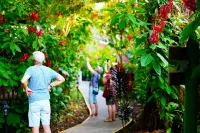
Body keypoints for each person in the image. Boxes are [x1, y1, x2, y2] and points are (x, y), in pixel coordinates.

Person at [21, 51, 65, 133]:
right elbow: (62, 79)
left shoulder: (30, 69)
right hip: (45, 101)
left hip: (34, 101)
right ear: (43, 60)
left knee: (35, 127)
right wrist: (50, 85)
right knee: (46, 126)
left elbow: (23, 81)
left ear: (33, 59)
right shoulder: (48, 70)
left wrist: (26, 88)